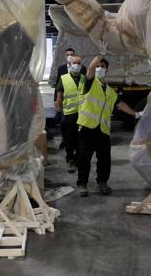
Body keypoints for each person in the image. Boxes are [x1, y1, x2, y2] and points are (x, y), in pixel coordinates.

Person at [76, 55, 140, 196]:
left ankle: (102, 183)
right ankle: (82, 184)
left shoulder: (110, 91)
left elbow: (121, 105)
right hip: (87, 127)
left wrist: (135, 114)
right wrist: (100, 54)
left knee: (104, 159)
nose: (99, 68)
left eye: (102, 67)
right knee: (84, 158)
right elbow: (91, 68)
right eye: (98, 66)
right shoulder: (90, 83)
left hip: (103, 129)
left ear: (107, 70)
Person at [55, 55, 84, 173]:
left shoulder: (85, 78)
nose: (76, 65)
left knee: (80, 139)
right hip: (68, 115)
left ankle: (78, 159)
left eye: (79, 63)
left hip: (82, 114)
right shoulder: (64, 78)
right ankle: (70, 160)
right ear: (70, 65)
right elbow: (59, 97)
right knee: (69, 140)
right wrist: (60, 109)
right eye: (74, 63)